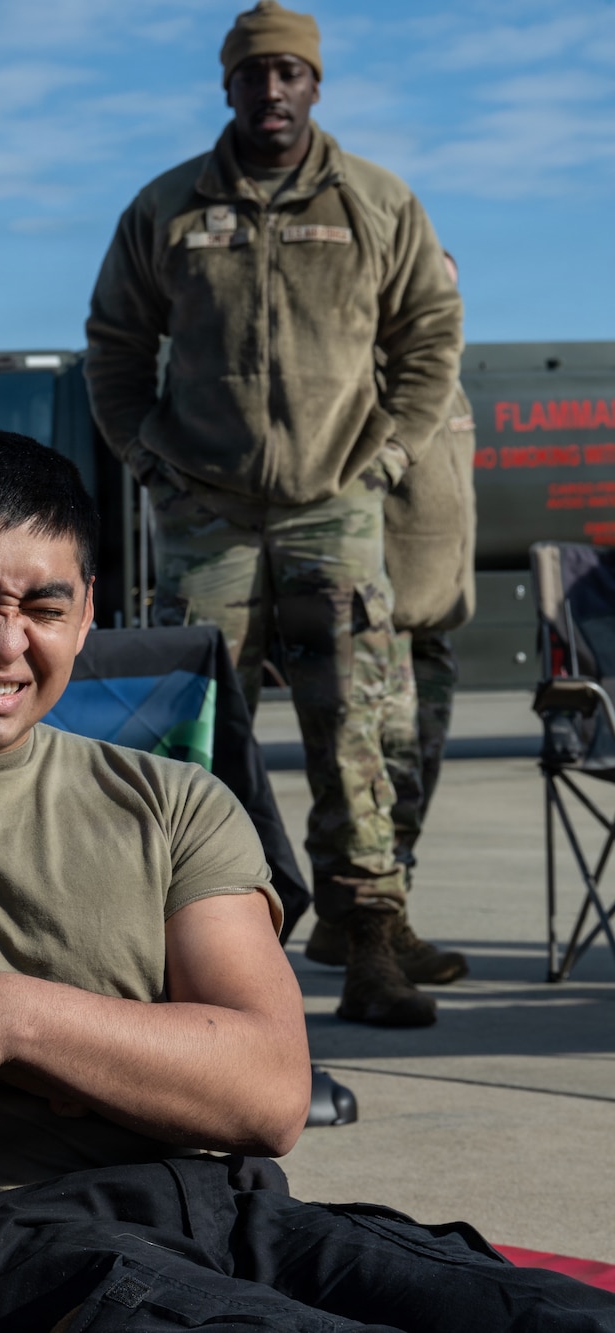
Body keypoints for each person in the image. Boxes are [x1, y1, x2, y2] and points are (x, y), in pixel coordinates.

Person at [0, 430, 615, 1330]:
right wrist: (137, 1046)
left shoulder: (169, 801)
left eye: (44, 606)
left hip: (225, 1212)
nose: (4, 644)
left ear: (85, 618)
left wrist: (9, 1018)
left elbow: (268, 1091)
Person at [83, 0, 465, 1028]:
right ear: (226, 86)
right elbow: (113, 348)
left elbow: (429, 335)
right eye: (252, 75)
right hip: (205, 510)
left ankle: (369, 938)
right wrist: (149, 460)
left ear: (314, 83)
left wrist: (385, 458)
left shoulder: (375, 202)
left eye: (289, 73)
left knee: (355, 726)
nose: (270, 92)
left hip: (331, 506)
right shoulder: (166, 209)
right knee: (192, 737)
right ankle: (185, 947)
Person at [305, 253, 479, 984]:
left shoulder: (445, 378)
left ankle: (359, 924)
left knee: (416, 776)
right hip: (384, 621)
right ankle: (364, 924)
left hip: (436, 615)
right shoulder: (367, 377)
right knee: (382, 783)